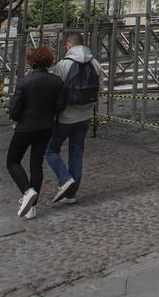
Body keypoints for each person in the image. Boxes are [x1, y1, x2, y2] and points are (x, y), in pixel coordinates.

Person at [6, 44, 65, 219]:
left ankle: (26, 191)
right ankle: (32, 206)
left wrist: (16, 117)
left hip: (26, 127)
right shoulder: (57, 82)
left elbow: (15, 108)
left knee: (12, 161)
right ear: (49, 61)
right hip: (46, 126)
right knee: (36, 164)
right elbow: (60, 106)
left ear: (32, 61)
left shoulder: (24, 81)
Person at [45, 33, 103, 205]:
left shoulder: (63, 65)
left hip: (65, 116)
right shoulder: (95, 63)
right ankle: (71, 194)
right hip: (85, 116)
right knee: (76, 152)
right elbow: (100, 88)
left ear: (69, 45)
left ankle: (65, 179)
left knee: (50, 150)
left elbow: (55, 90)